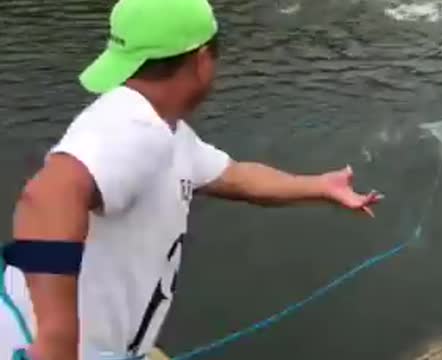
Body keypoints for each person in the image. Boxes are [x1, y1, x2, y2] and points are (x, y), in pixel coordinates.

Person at [0, 0, 383, 359]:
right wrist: (57, 340)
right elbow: (46, 196)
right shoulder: (133, 124)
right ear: (202, 60)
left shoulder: (165, 131)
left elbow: (236, 177)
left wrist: (319, 186)